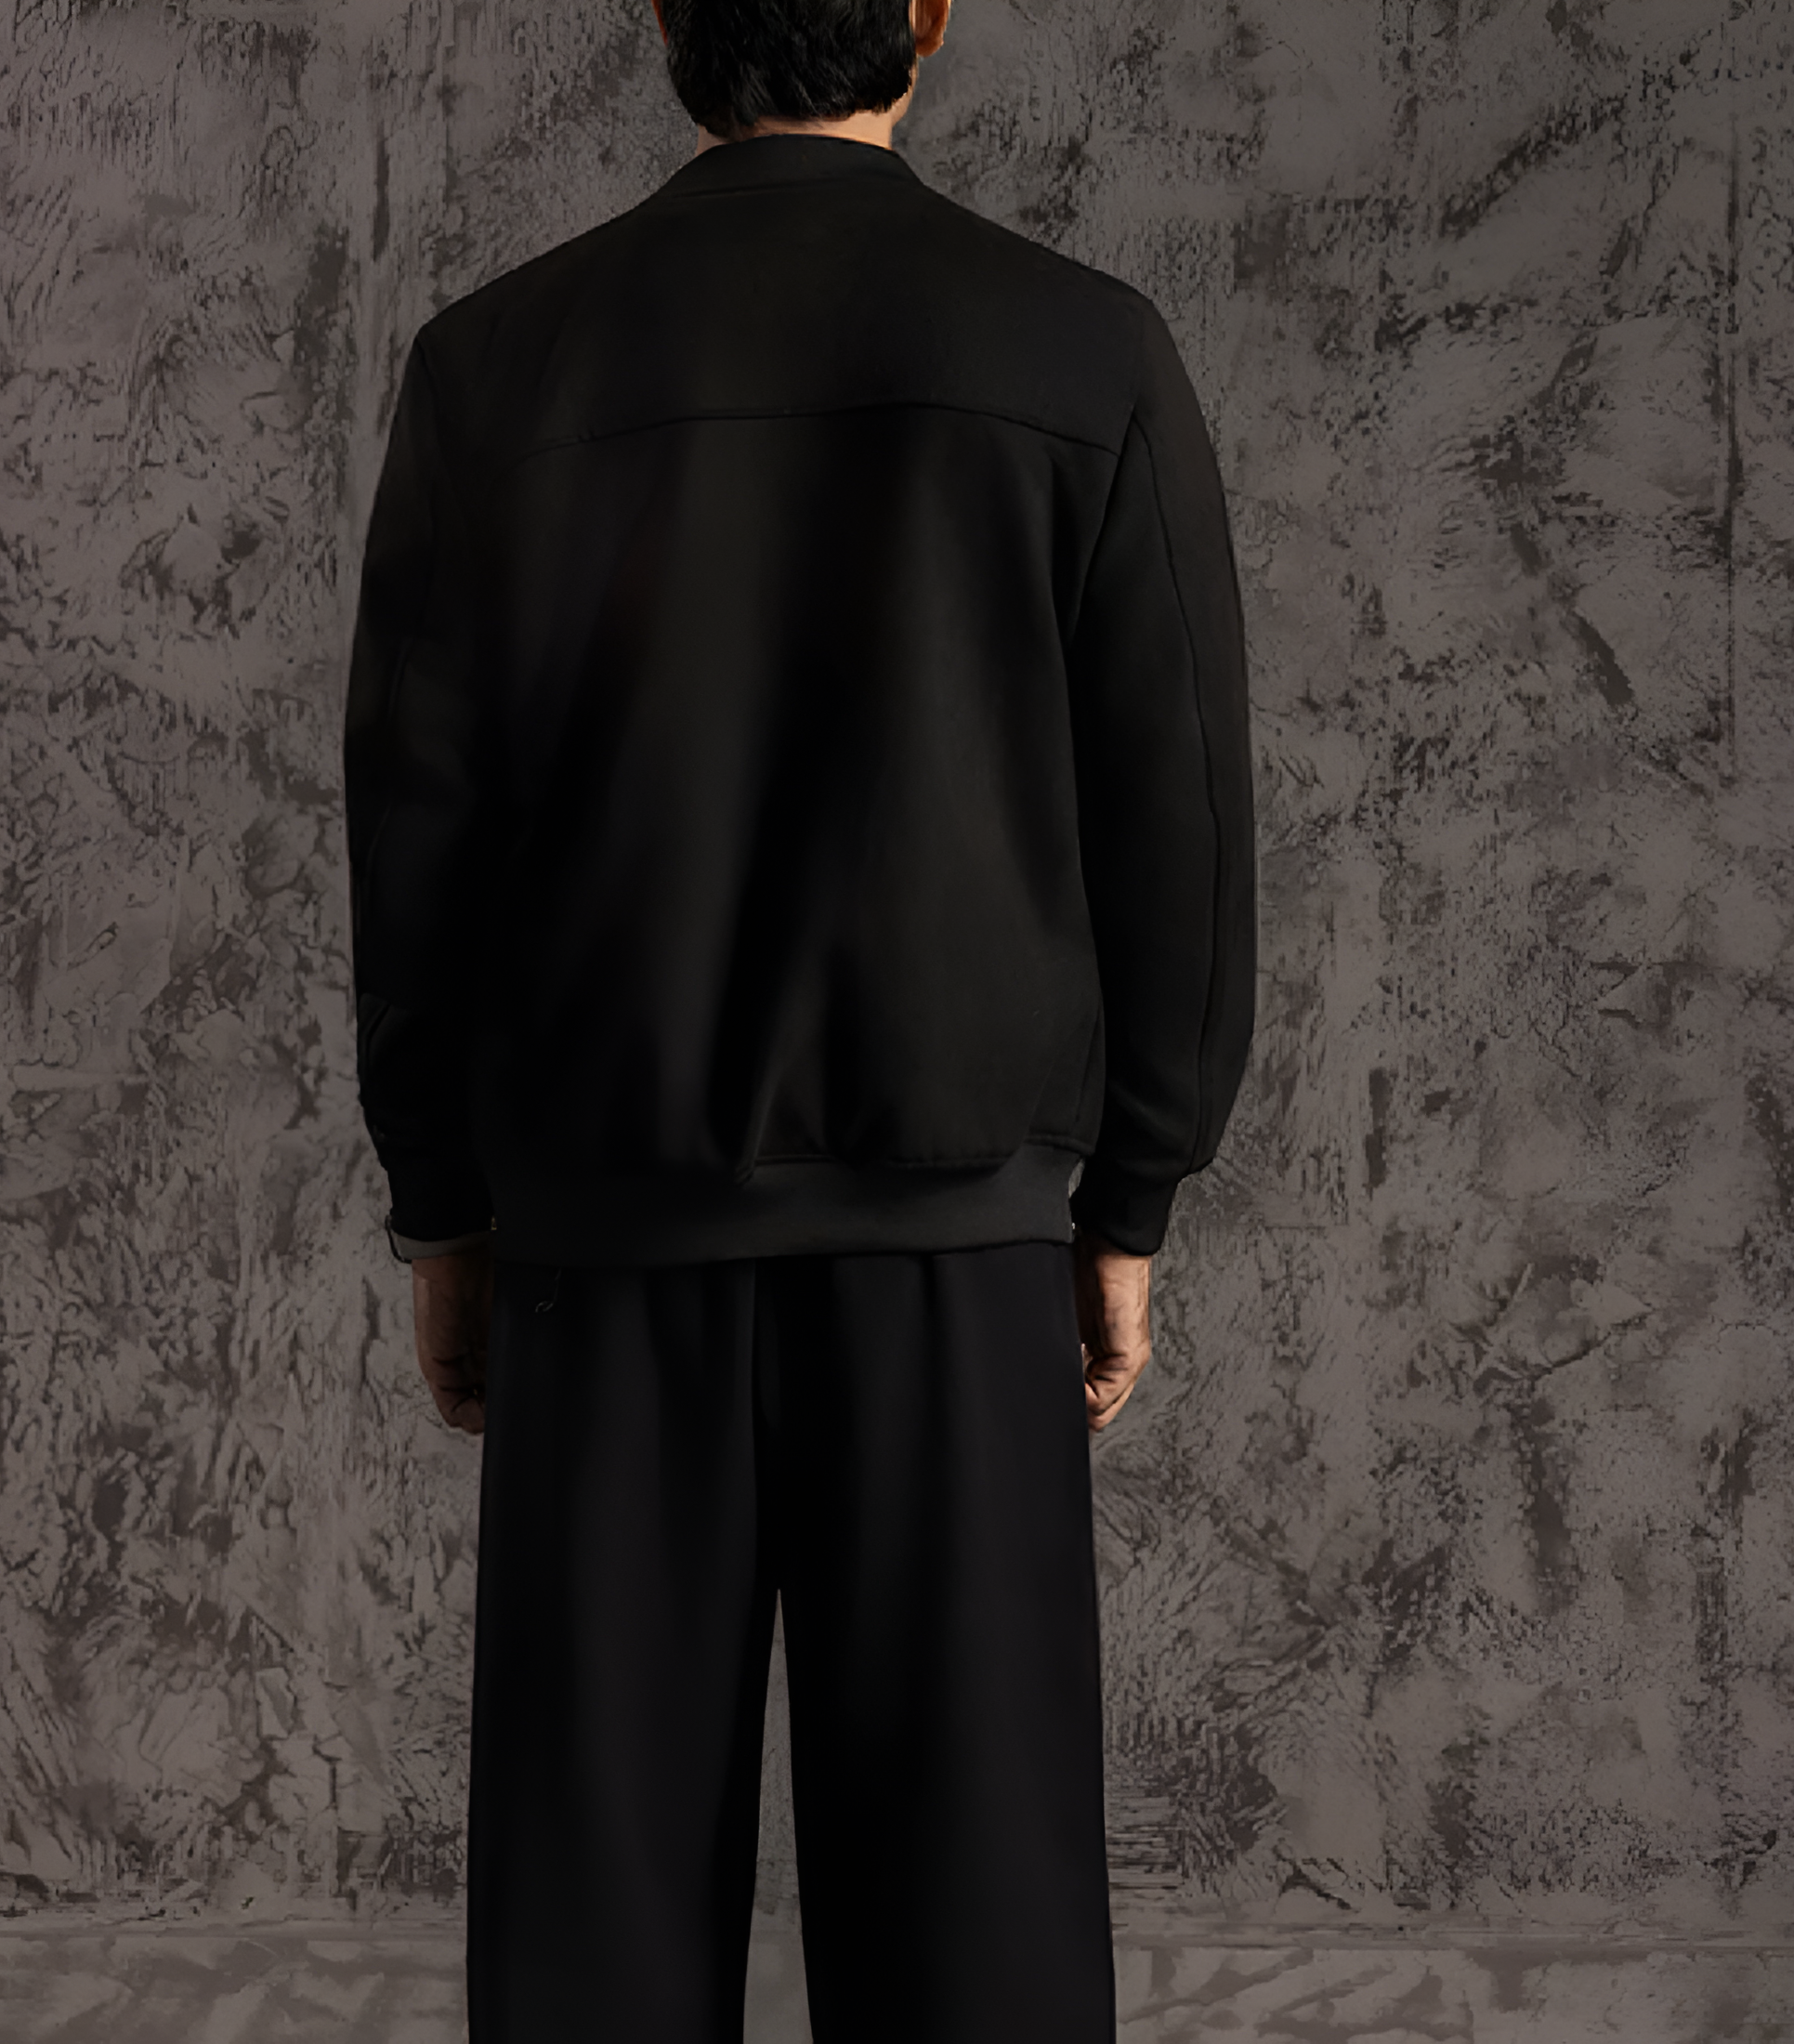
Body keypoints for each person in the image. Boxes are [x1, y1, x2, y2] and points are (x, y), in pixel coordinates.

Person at [341, 0, 1255, 2034]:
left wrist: (444, 1204)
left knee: (588, 1950)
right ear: (926, 13)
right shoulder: (1084, 351)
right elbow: (1180, 814)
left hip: (600, 1254)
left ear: (670, 17)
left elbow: (416, 837)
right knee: (978, 1941)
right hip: (953, 1258)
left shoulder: (496, 363)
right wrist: (1130, 1200)